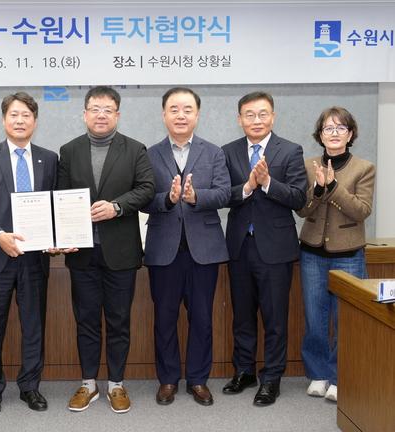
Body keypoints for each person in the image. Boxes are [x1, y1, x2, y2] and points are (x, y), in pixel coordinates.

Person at [58, 86, 155, 414]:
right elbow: (60, 196)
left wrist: (117, 206)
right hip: (82, 252)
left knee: (118, 320)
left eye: (108, 109)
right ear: (84, 114)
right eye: (95, 109)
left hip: (121, 253)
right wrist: (61, 233)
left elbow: (147, 188)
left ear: (117, 115)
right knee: (85, 320)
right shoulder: (69, 150)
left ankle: (116, 384)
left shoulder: (135, 149)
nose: (101, 115)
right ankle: (88, 384)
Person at [0, 92, 57, 416]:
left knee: (33, 326)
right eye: (14, 115)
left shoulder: (49, 158)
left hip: (34, 258)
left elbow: (55, 203)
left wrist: (57, 236)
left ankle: (30, 386)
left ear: (35, 121)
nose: (20, 121)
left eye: (26, 115)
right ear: (4, 119)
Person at [142, 87, 230, 407]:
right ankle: (167, 380)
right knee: (164, 319)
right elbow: (142, 199)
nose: (181, 115)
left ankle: (198, 379)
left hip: (203, 250)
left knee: (202, 318)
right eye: (174, 109)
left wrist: (196, 197)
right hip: (163, 250)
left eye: (187, 109)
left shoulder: (213, 152)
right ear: (164, 114)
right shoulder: (149, 154)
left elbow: (224, 193)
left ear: (197, 114)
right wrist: (168, 199)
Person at [222, 91, 307, 406]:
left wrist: (268, 182)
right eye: (249, 114)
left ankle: (271, 378)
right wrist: (246, 187)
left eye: (262, 114)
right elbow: (222, 195)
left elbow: (299, 198)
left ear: (273, 116)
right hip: (239, 247)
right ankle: (244, 371)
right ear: (239, 119)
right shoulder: (228, 151)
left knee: (275, 318)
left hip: (275, 249)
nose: (256, 120)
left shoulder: (291, 150)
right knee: (242, 316)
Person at [297, 107, 375, 403]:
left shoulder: (364, 168)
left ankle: (340, 376)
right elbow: (302, 209)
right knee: (315, 317)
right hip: (312, 252)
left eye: (340, 128)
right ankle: (318, 374)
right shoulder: (308, 166)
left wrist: (332, 186)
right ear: (320, 135)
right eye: (328, 128)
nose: (334, 133)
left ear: (350, 134)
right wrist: (318, 189)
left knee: (346, 319)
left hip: (349, 253)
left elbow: (361, 210)